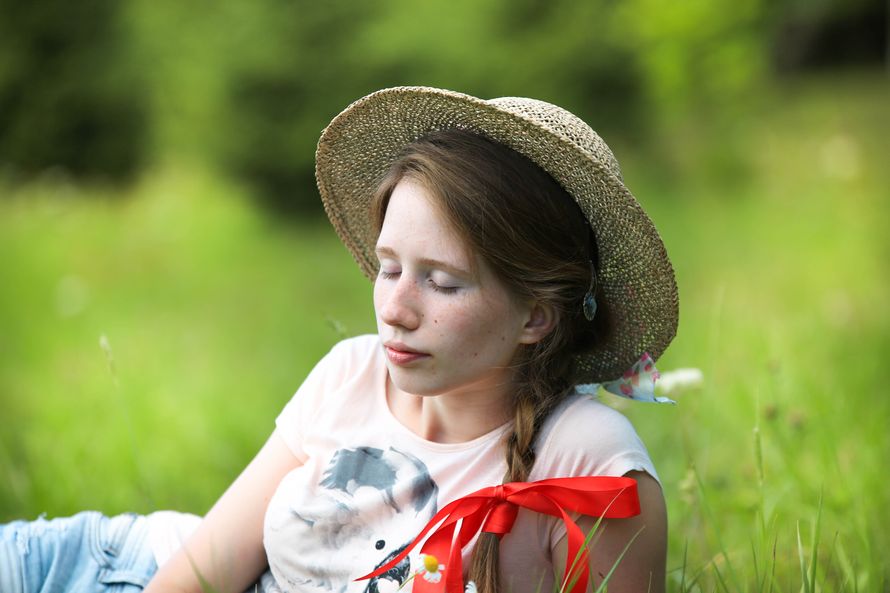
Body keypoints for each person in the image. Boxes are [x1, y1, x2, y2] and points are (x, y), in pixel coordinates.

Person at [0, 87, 678, 593]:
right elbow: (213, 557)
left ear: (536, 316)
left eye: (442, 282)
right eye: (389, 268)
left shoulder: (592, 466)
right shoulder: (351, 371)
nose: (395, 309)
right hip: (116, 567)